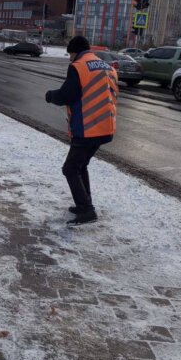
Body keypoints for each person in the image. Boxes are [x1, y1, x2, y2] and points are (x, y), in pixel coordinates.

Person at [45, 35, 118, 226]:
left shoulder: (78, 66)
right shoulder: (106, 66)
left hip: (88, 127)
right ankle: (85, 203)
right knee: (80, 165)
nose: (70, 58)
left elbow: (67, 95)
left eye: (70, 54)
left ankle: (86, 210)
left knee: (70, 168)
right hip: (105, 127)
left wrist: (51, 96)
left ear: (75, 52)